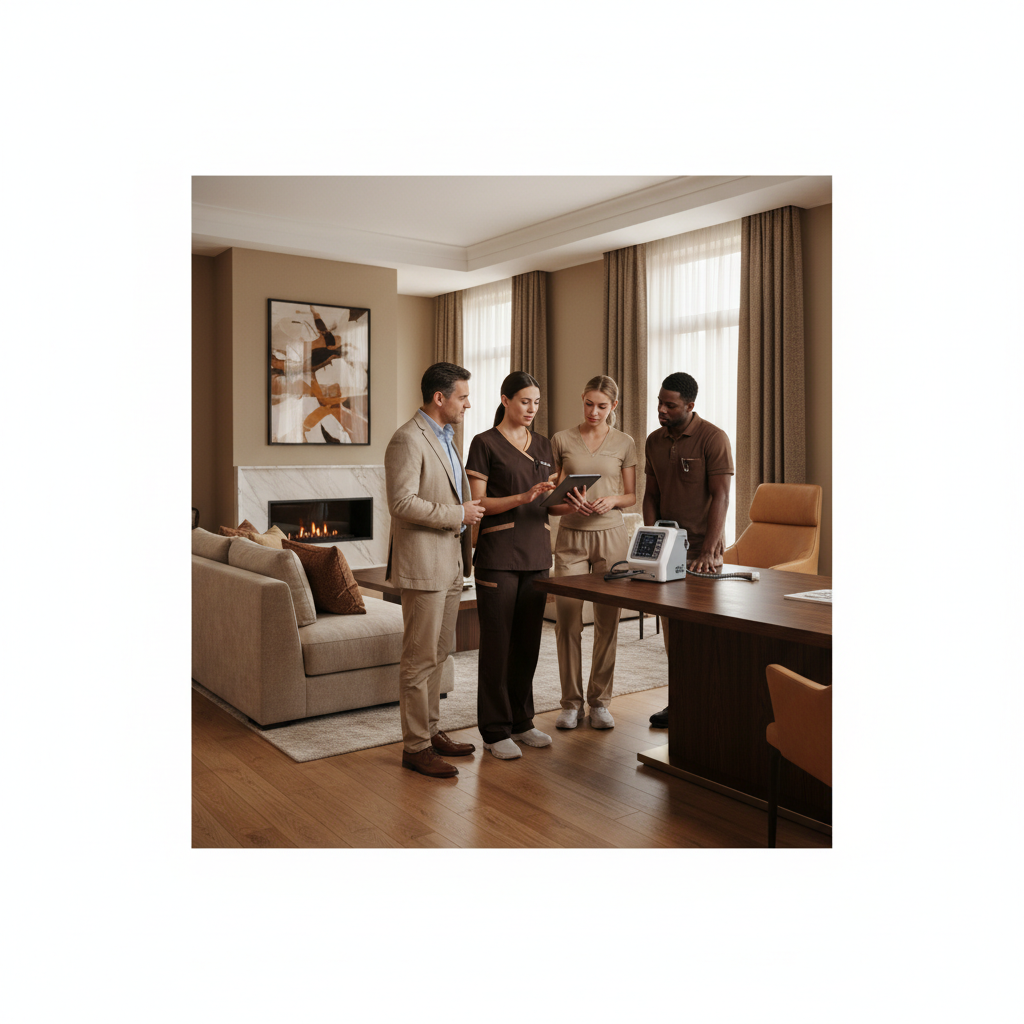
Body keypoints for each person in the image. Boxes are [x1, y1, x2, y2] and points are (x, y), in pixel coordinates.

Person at [384, 362, 486, 777]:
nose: (467, 403)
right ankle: (415, 747)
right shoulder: (407, 439)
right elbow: (402, 503)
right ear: (439, 398)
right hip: (423, 566)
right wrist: (457, 513)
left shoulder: (447, 438)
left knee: (440, 655)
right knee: (419, 659)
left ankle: (431, 731)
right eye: (462, 396)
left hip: (450, 565)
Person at [466, 371, 558, 760]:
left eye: (536, 402)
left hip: (537, 555)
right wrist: (523, 496)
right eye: (524, 401)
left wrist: (573, 499)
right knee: (498, 645)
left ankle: (522, 722)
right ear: (505, 400)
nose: (531, 409)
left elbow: (547, 501)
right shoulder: (484, 443)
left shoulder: (543, 445)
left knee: (527, 645)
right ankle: (494, 730)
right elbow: (479, 505)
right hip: (499, 557)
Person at [643, 372, 734, 728]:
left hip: (702, 547)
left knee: (702, 632)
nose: (662, 410)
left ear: (690, 405)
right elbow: (651, 495)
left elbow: (722, 496)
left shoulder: (713, 438)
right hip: (668, 547)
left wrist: (709, 550)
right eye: (660, 403)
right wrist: (651, 539)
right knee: (673, 632)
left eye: (671, 405)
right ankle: (678, 701)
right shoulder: (654, 441)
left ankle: (710, 704)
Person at [548, 375, 637, 731]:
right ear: (581, 400)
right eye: (589, 404)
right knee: (567, 622)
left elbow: (631, 495)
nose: (594, 411)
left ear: (613, 406)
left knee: (607, 623)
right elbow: (551, 499)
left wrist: (612, 499)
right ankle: (570, 703)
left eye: (602, 406)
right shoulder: (561, 440)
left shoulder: (625, 443)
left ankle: (600, 701)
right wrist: (569, 505)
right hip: (570, 538)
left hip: (612, 539)